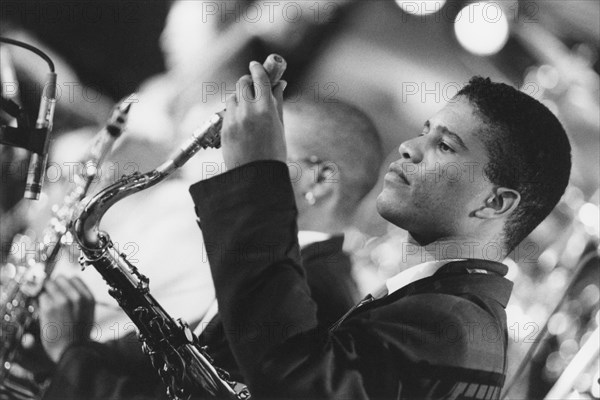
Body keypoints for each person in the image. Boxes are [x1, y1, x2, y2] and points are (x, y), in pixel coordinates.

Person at [188, 64, 572, 399]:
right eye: (425, 131)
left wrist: (255, 176)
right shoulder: (449, 311)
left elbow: (294, 380)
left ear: (495, 203)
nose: (408, 147)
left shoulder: (451, 325)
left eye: (446, 146)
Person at [37, 99, 383, 400]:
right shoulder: (293, 269)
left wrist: (71, 355)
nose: (231, 163)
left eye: (258, 148)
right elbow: (172, 362)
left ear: (319, 181)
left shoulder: (315, 294)